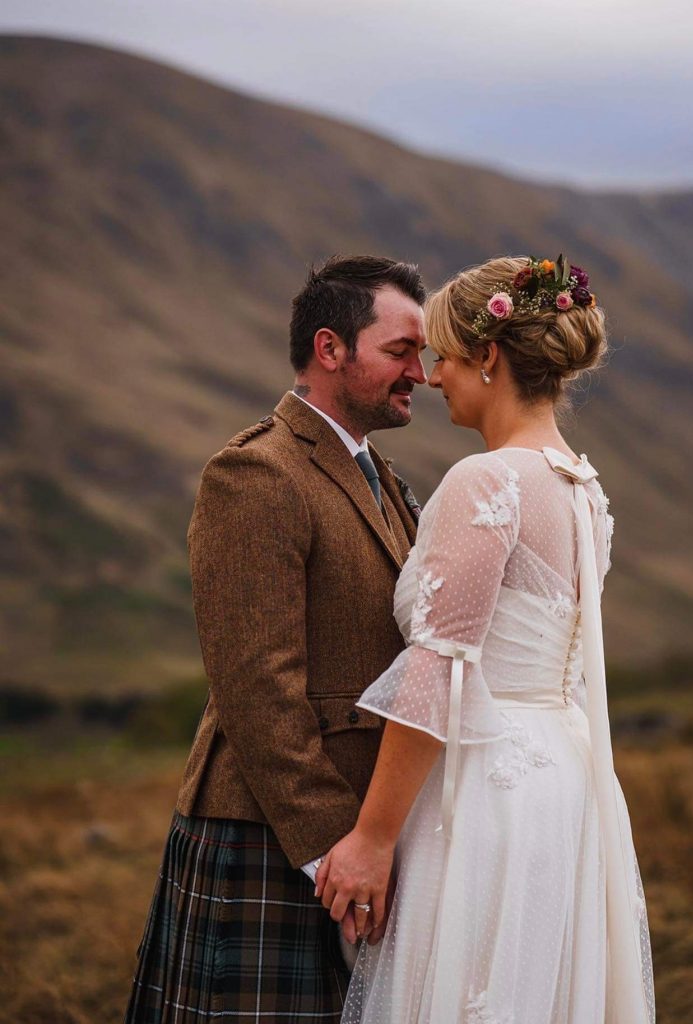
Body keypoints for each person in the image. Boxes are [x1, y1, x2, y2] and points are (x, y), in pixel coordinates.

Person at [316, 255, 655, 1024]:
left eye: (443, 356)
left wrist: (372, 838)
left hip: (485, 794)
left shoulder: (489, 482)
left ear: (490, 358)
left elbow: (442, 668)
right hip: (565, 788)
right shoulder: (580, 485)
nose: (432, 377)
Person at [124, 254, 428, 1023]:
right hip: (272, 833)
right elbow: (257, 688)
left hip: (350, 839)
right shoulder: (257, 474)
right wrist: (336, 851)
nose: (419, 373)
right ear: (331, 350)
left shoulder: (379, 475)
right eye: (401, 352)